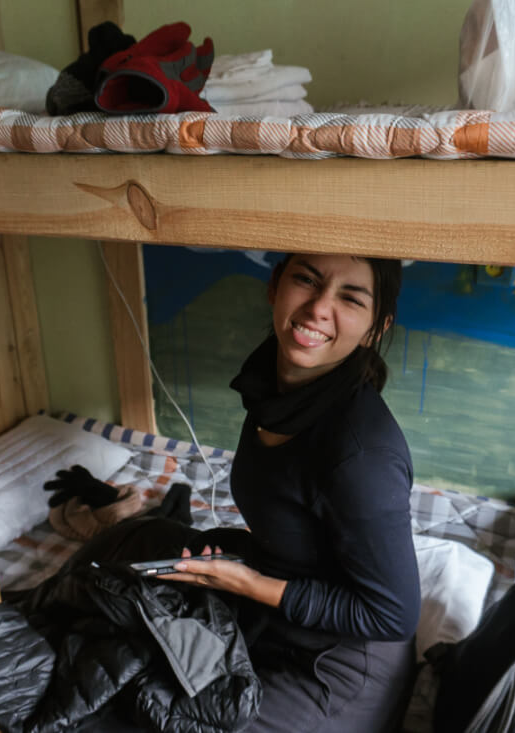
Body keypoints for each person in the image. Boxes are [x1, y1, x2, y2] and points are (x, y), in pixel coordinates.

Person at [163, 252, 421, 733]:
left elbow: (393, 616)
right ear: (275, 285)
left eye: (350, 297)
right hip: (277, 618)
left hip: (340, 665)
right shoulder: (273, 392)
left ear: (374, 328)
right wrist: (237, 557)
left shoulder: (360, 456)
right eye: (307, 279)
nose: (320, 307)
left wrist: (246, 584)